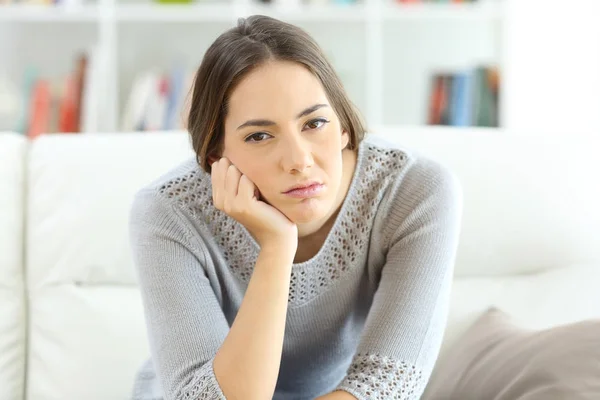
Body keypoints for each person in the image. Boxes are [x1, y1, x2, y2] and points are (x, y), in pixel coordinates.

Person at [129, 14, 463, 400]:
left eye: (314, 123)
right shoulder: (168, 213)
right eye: (259, 135)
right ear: (216, 151)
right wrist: (275, 247)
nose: (298, 160)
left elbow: (386, 384)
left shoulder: (414, 191)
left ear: (343, 126)